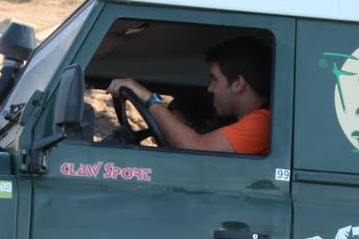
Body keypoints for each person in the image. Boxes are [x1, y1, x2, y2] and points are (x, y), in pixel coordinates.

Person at [105, 36, 271, 155]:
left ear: (238, 84)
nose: (210, 89)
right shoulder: (256, 121)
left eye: (214, 79)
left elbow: (196, 148)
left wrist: (149, 98)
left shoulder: (264, 122)